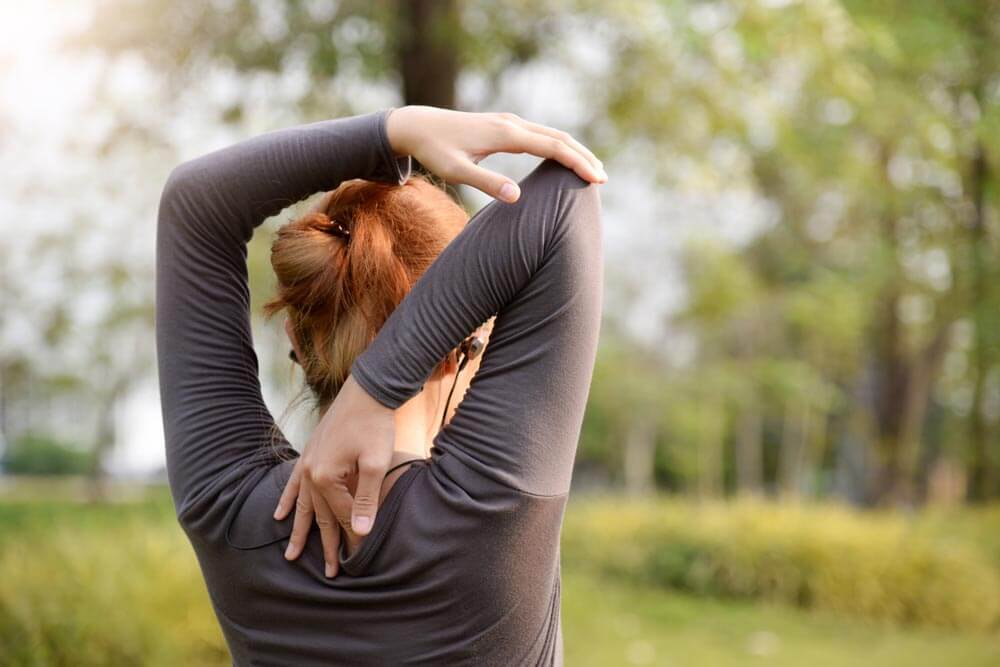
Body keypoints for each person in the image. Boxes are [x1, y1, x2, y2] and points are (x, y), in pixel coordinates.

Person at [157, 105, 606, 665]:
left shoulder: (222, 504)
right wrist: (377, 385)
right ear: (469, 338)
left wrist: (396, 130)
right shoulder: (493, 508)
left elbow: (195, 202)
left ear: (296, 336)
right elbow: (567, 190)